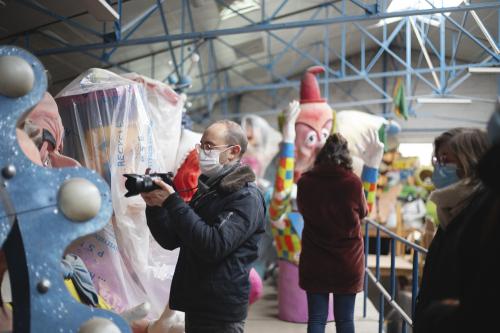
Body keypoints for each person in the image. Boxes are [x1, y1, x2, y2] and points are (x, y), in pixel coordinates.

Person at [141, 120, 266, 333]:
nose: (201, 152)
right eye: (201, 145)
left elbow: (213, 245)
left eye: (209, 146)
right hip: (197, 303)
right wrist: (156, 207)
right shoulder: (209, 190)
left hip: (221, 310)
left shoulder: (246, 197)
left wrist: (173, 202)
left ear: (233, 152)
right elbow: (171, 239)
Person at [414, 128, 490, 333]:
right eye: (437, 160)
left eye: (446, 160)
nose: (438, 167)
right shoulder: (447, 211)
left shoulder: (483, 213)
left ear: (469, 161)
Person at [297, 133, 368, 333]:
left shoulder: (305, 182)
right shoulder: (353, 182)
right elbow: (363, 212)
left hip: (315, 259)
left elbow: (302, 210)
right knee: (345, 321)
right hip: (347, 261)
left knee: (317, 319)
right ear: (346, 156)